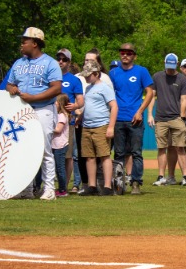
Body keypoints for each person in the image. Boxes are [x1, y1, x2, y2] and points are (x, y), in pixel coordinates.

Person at [6, 27, 62, 201]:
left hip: (44, 109)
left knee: (44, 150)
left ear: (35, 43)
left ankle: (49, 188)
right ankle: (26, 188)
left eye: (25, 41)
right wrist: (12, 88)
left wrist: (34, 97)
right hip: (23, 111)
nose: (21, 44)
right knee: (23, 150)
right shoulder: (18, 63)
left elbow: (56, 88)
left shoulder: (50, 63)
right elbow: (9, 84)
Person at [109, 43, 153, 195]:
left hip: (135, 119)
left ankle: (136, 183)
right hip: (119, 118)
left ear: (134, 55)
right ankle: (119, 185)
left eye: (129, 53)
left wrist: (140, 111)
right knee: (119, 153)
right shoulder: (114, 73)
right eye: (122, 52)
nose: (125, 55)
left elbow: (150, 92)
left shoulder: (141, 71)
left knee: (136, 153)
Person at [147, 53, 186, 186]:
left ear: (177, 64)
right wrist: (150, 114)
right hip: (161, 119)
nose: (170, 69)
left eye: (172, 66)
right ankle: (161, 176)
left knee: (180, 148)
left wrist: (182, 117)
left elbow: (184, 99)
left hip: (176, 118)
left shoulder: (182, 79)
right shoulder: (157, 77)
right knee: (161, 148)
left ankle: (185, 178)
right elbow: (151, 96)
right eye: (168, 65)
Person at [78, 62, 118, 196]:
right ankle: (92, 185)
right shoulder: (88, 88)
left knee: (104, 156)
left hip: (101, 125)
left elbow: (114, 107)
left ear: (96, 74)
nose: (86, 78)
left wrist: (111, 127)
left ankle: (107, 186)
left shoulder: (105, 88)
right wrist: (81, 117)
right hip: (87, 126)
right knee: (89, 157)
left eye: (89, 76)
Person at [56, 48, 85, 193]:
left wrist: (75, 106)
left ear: (69, 62)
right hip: (52, 121)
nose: (60, 61)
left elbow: (80, 100)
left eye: (64, 59)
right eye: (59, 58)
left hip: (68, 122)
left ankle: (65, 186)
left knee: (68, 155)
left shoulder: (74, 80)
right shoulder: (52, 78)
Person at [51, 93, 71, 197]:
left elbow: (58, 130)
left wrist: (48, 129)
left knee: (60, 168)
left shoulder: (62, 116)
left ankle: (63, 189)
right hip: (55, 145)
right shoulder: (57, 115)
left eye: (55, 102)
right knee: (56, 168)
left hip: (60, 145)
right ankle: (60, 188)